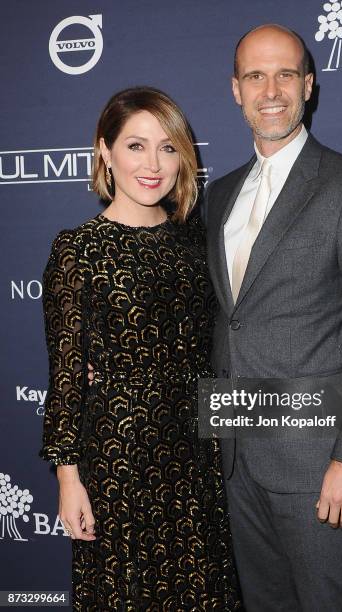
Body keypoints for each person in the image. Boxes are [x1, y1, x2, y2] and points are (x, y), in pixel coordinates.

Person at [203, 25, 342, 611]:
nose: (272, 89)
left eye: (286, 74)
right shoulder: (220, 196)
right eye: (255, 76)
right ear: (235, 90)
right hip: (235, 456)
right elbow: (225, 322)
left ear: (309, 86)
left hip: (319, 464)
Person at [39, 86, 242, 611]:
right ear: (105, 151)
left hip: (197, 453)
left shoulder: (198, 241)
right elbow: (64, 375)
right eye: (135, 146)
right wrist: (68, 479)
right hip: (117, 458)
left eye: (168, 147)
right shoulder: (77, 248)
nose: (153, 164)